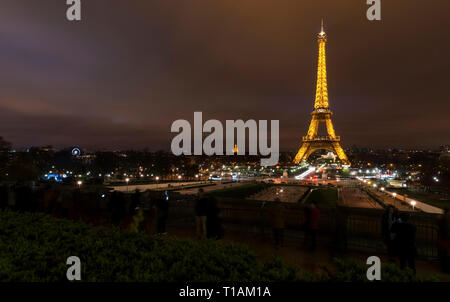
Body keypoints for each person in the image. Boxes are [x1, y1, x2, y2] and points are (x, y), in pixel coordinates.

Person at [437, 208, 450, 273]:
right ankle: (445, 269)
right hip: (444, 239)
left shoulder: (442, 219)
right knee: (445, 254)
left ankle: (444, 268)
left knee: (444, 254)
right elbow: (445, 231)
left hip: (442, 239)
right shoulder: (444, 220)